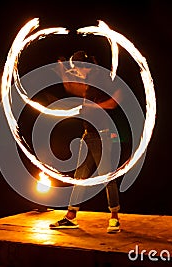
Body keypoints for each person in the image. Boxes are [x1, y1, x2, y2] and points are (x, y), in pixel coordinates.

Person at [49, 50, 123, 233]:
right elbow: (72, 88)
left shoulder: (100, 79)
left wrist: (94, 106)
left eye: (77, 68)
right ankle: (70, 217)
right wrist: (62, 72)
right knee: (80, 178)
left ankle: (115, 218)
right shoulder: (89, 82)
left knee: (107, 177)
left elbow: (115, 100)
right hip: (87, 135)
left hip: (100, 135)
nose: (76, 72)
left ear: (86, 66)